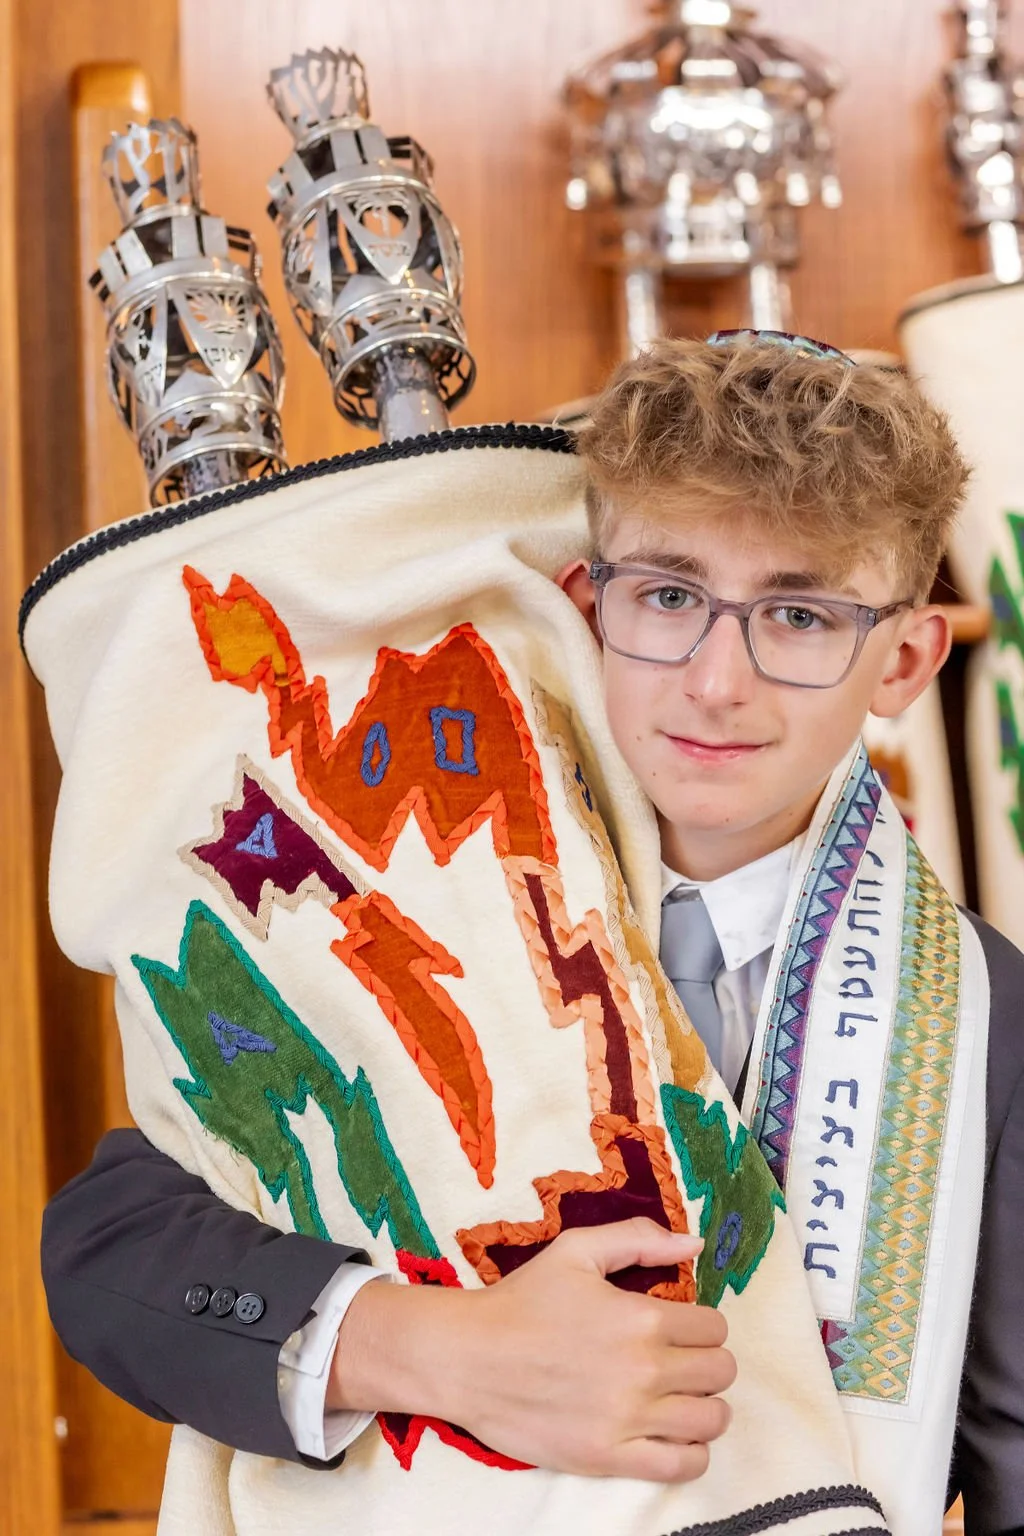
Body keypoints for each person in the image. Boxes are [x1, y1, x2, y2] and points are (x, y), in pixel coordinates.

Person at [40, 333, 1024, 1532]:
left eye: (802, 616)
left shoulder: (980, 1022)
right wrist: (426, 1351)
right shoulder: (405, 893)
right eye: (669, 597)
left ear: (906, 658)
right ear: (581, 605)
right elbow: (111, 1250)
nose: (719, 680)